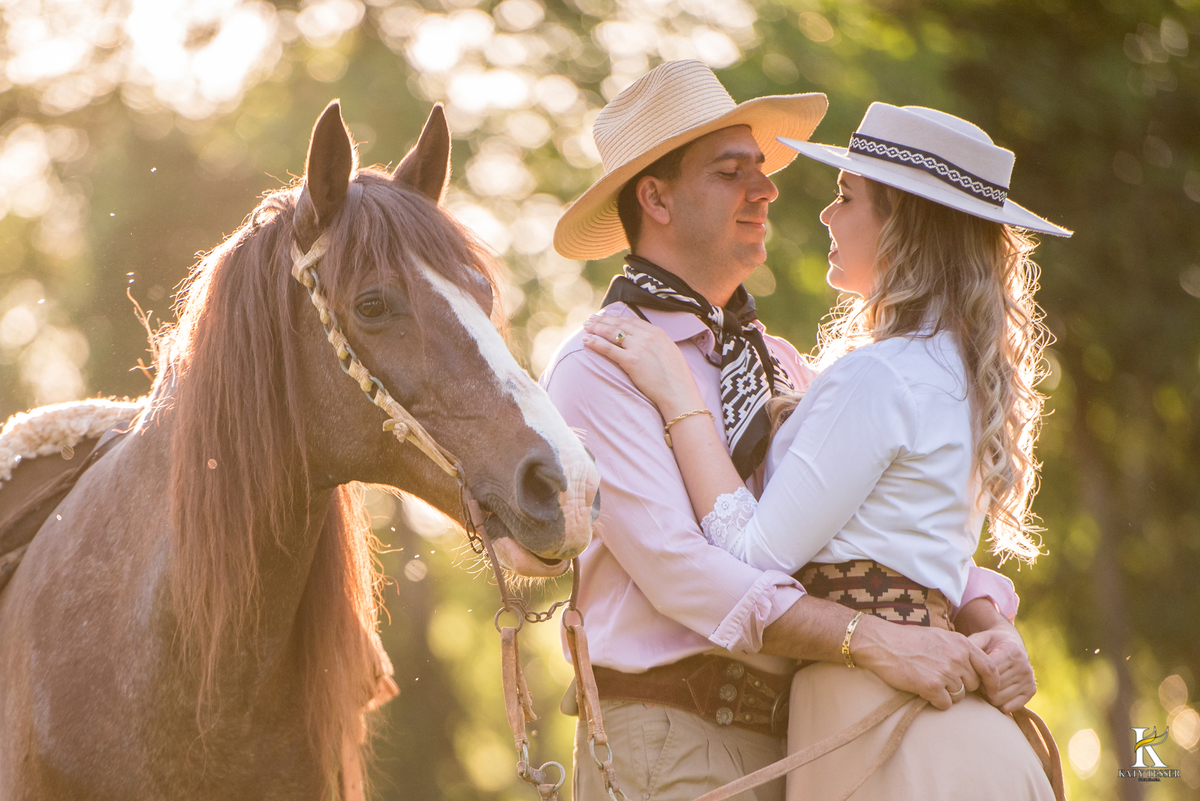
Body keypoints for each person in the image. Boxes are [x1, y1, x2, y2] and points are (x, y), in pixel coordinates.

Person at [543, 61, 1037, 801]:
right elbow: (685, 569)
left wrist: (982, 615)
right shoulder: (604, 364)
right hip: (676, 736)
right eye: (731, 170)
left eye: (762, 169)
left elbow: (861, 530)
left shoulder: (778, 363)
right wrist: (873, 639)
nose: (767, 188)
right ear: (657, 197)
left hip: (813, 736)